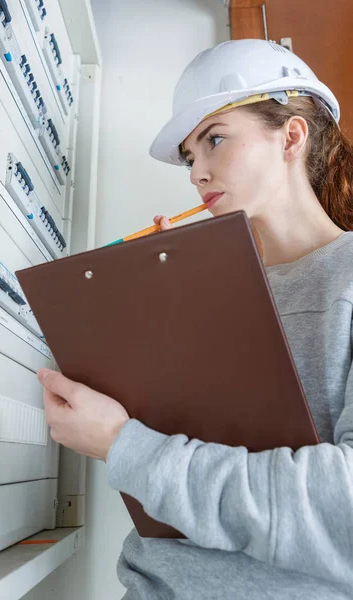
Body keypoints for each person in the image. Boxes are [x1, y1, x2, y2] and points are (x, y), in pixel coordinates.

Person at [37, 39, 353, 599]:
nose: (196, 174)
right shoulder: (202, 288)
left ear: (292, 136)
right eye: (190, 157)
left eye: (215, 140)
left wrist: (124, 446)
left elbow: (343, 516)